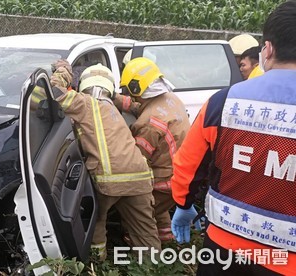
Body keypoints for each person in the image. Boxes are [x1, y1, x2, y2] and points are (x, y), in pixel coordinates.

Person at [170, 1, 296, 275]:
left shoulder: (222, 102)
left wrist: (183, 204)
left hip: (224, 247)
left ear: (268, 49)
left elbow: (187, 165)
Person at [50, 60, 161, 260]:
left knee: (95, 222)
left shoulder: (85, 104)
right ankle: (153, 267)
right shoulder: (112, 108)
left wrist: (63, 70)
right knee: (145, 232)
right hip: (140, 178)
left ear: (83, 85)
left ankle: (96, 263)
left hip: (109, 180)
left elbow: (56, 93)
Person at [113, 57, 191, 243]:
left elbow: (137, 162)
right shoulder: (170, 99)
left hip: (164, 180)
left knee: (136, 211)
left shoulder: (148, 124)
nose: (130, 96)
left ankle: (146, 255)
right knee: (158, 208)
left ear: (136, 89)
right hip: (181, 175)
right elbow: (139, 105)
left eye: (129, 91)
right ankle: (166, 239)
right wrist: (111, 97)